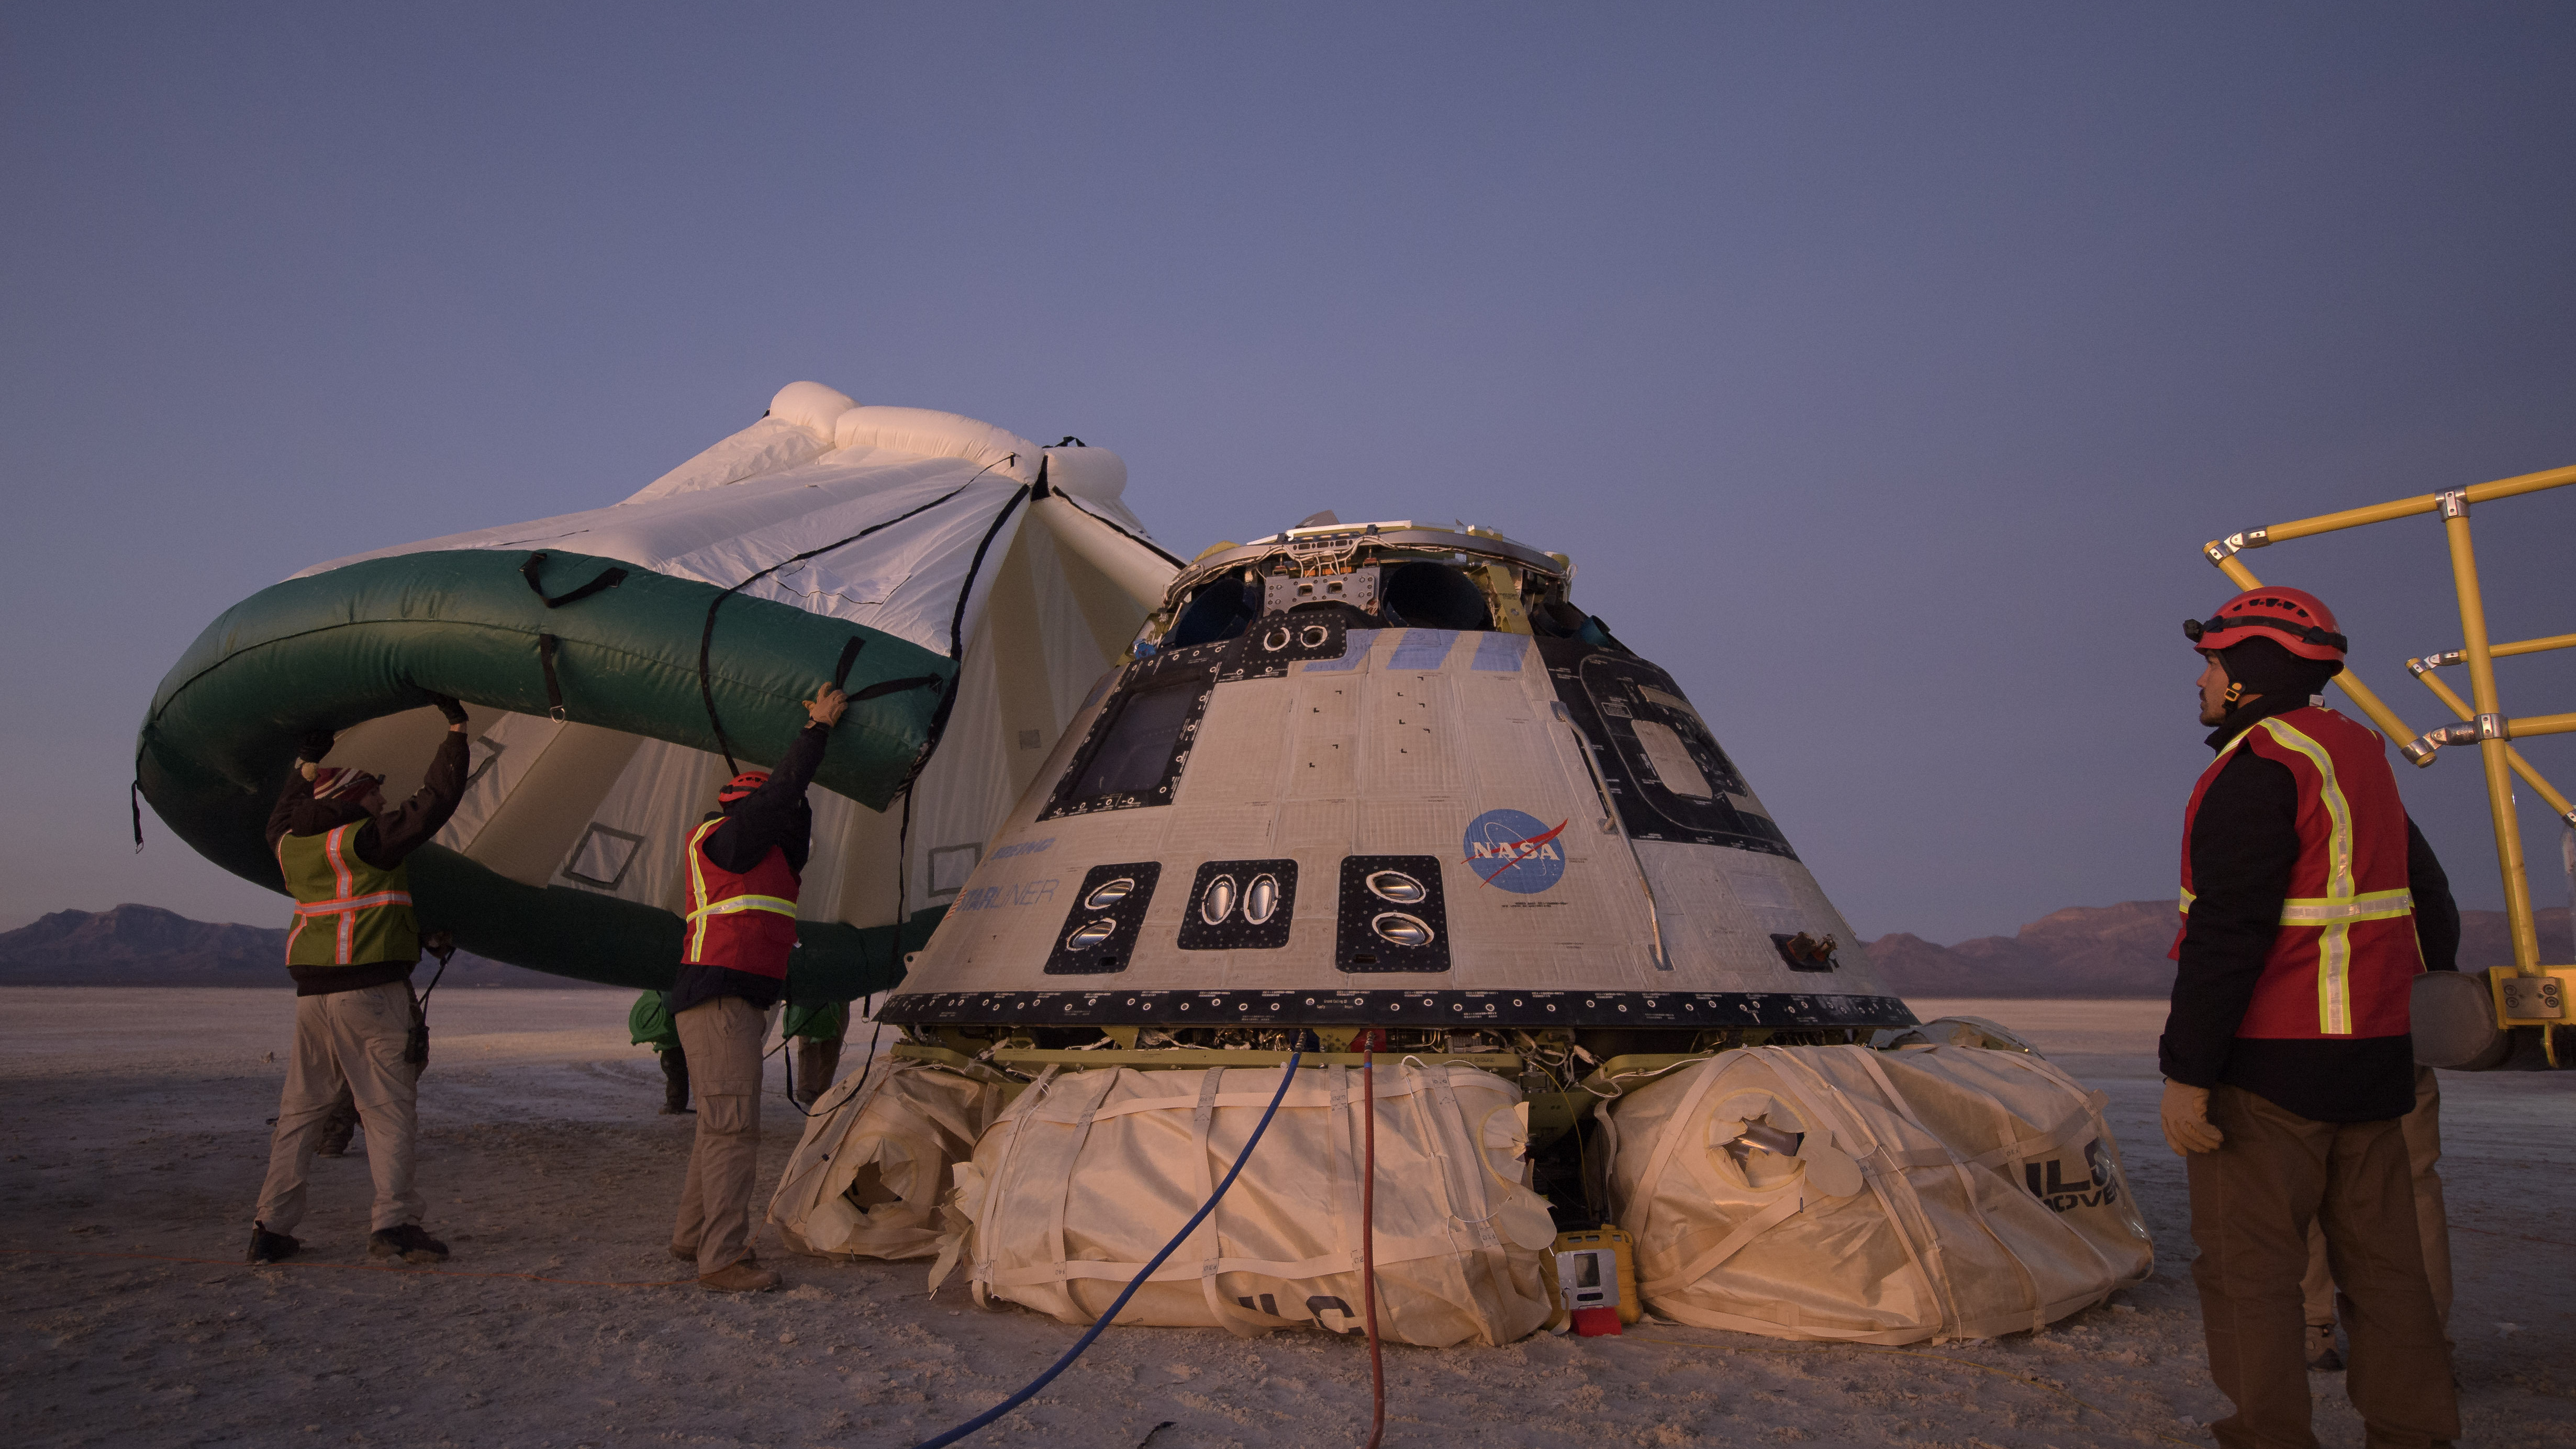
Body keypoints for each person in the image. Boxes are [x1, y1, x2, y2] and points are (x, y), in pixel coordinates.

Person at [2159, 587, 2459, 1448]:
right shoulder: (2358, 758)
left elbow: (2227, 934)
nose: (2202, 684)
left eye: (2212, 665)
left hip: (2268, 1072)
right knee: (2386, 1271)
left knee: (2251, 1274)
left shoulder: (2255, 770)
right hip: (2373, 1063)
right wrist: (2416, 1008)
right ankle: (2414, 1430)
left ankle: (2268, 1435)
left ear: (2250, 674)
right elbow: (2427, 897)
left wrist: (2188, 1072)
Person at [248, 694, 471, 1266]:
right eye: (373, 790)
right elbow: (435, 801)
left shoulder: (292, 849)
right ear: (350, 799)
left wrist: (304, 764)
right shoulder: (366, 840)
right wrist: (455, 731)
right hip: (371, 997)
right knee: (389, 1109)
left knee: (301, 1111)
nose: (382, 798)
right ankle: (394, 1225)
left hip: (312, 999)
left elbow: (281, 821)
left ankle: (270, 1227)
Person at [666, 682, 847, 1293]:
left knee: (718, 1123)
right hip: (719, 996)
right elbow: (778, 804)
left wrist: (814, 759)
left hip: (737, 998)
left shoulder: (771, 854)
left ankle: (694, 1237)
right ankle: (721, 1258)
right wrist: (816, 731)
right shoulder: (723, 839)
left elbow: (792, 817)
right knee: (732, 1127)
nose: (787, 818)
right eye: (774, 807)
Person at [628, 990, 692, 1114]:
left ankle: (679, 1104)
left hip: (681, 1013)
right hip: (674, 1016)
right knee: (672, 1062)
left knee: (674, 1062)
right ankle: (676, 1103)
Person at [784, 997, 849, 1108]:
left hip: (840, 996)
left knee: (833, 1045)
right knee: (809, 1041)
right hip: (812, 993)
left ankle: (822, 1091)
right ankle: (807, 1089)